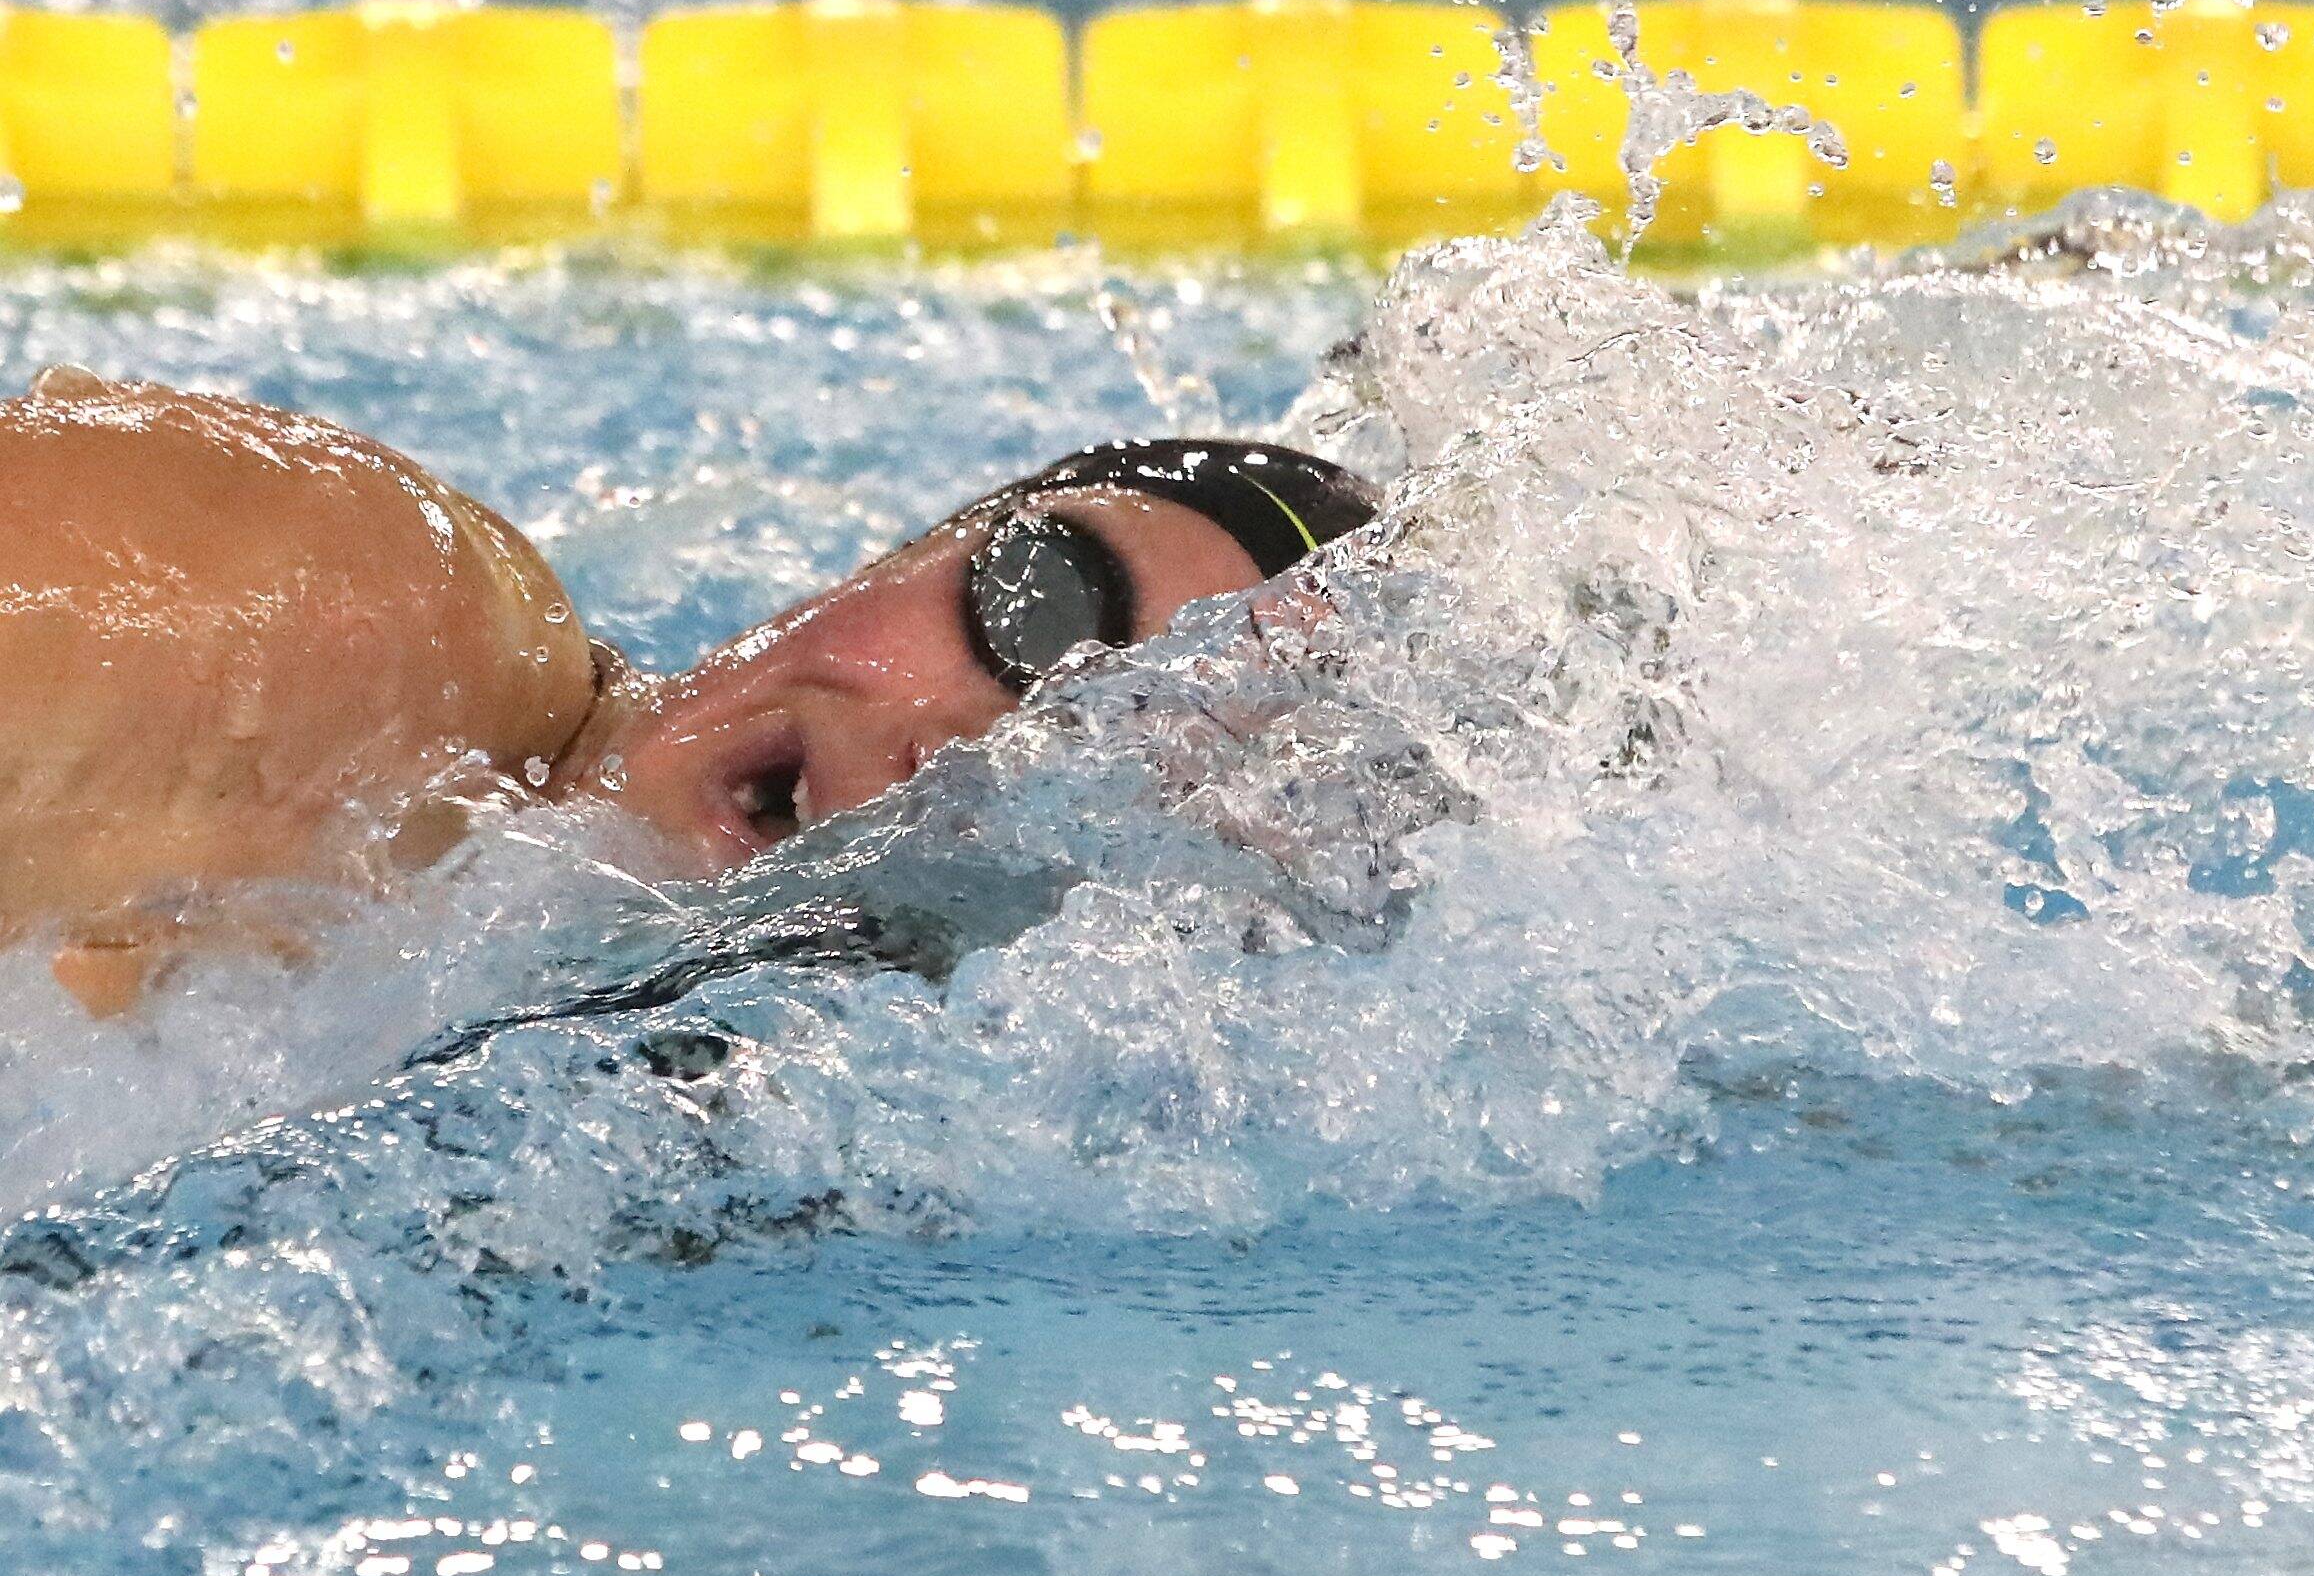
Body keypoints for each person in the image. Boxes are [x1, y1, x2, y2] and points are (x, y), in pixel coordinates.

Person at [0, 368, 1377, 1012]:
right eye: (1041, 604)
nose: (964, 746)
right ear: (909, 550)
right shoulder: (376, 621)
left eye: (1115, 753)